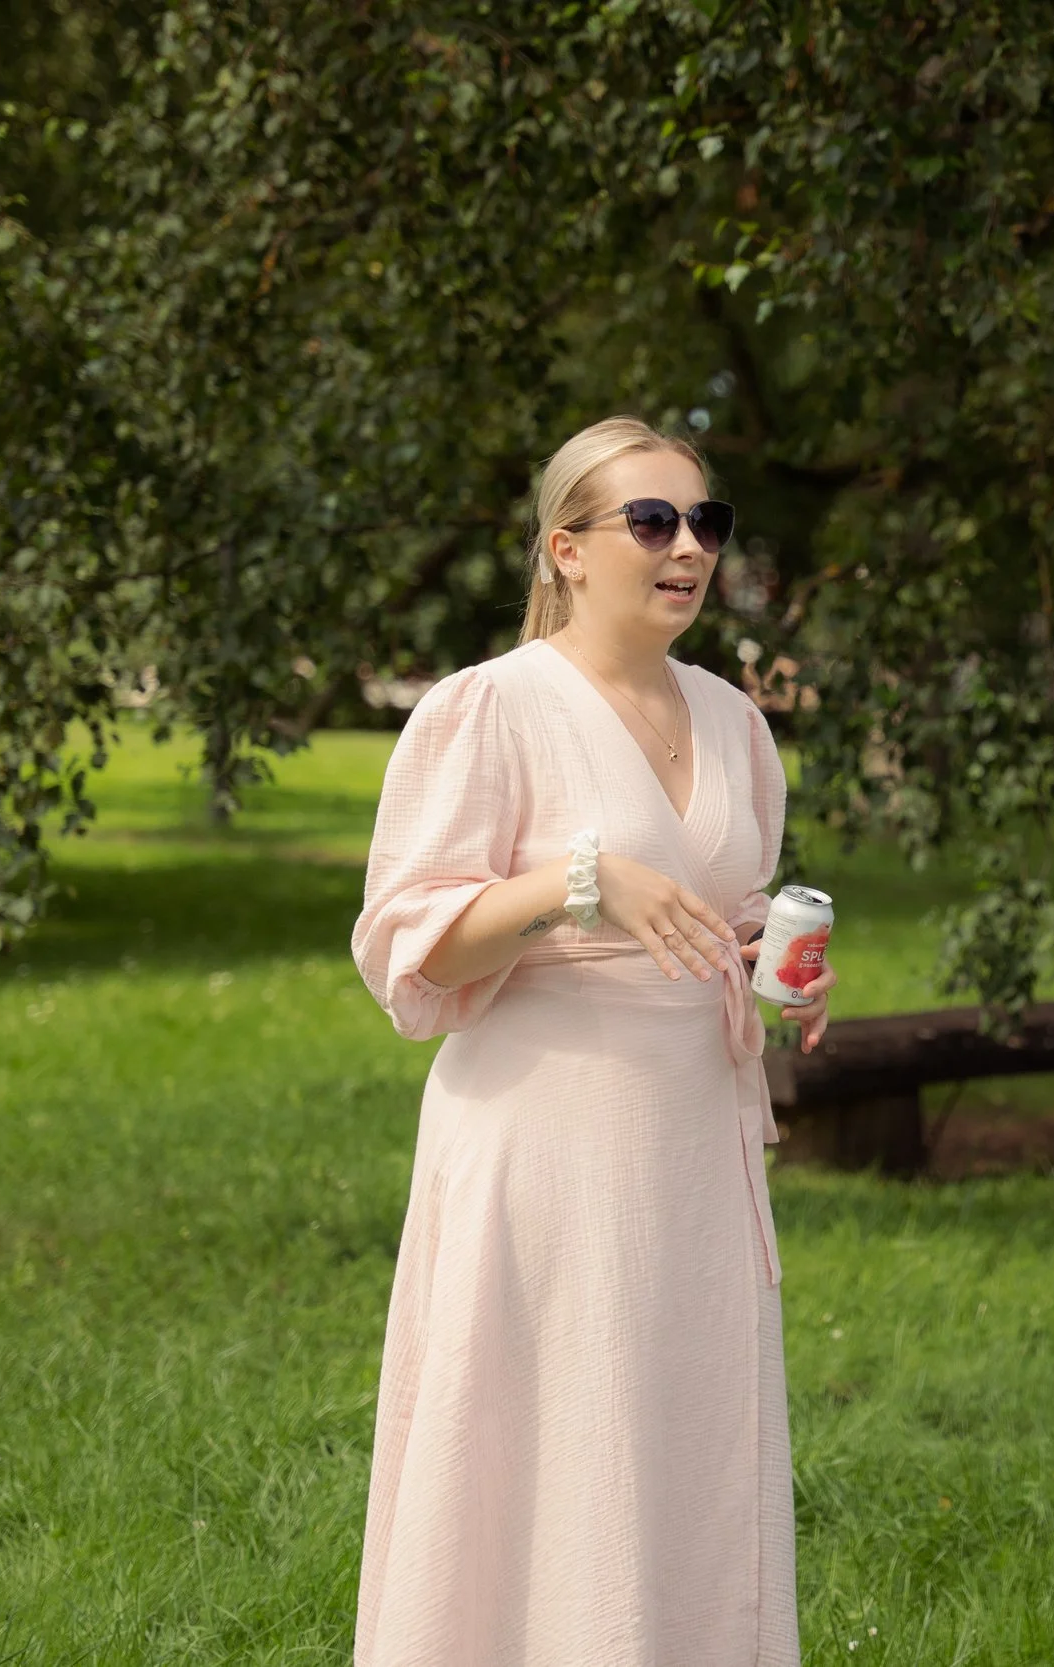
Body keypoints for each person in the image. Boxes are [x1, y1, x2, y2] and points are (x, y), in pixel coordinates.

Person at [349, 416, 830, 1666]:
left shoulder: (736, 722)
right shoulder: (489, 710)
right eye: (653, 521)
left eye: (706, 522)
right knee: (548, 1451)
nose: (689, 547)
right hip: (545, 1142)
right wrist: (579, 880)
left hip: (690, 1142)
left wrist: (771, 968)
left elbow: (714, 909)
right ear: (566, 548)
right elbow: (412, 948)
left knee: (682, 1445)